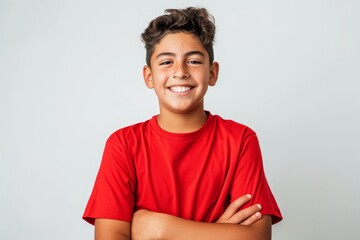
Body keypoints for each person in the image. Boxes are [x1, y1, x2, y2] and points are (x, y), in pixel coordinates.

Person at [83, 7, 282, 240]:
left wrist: (159, 228)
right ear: (149, 76)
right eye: (167, 62)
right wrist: (219, 232)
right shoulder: (123, 145)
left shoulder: (240, 140)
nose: (180, 72)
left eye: (194, 61)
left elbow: (257, 237)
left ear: (212, 73)